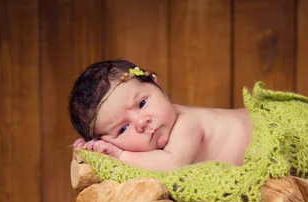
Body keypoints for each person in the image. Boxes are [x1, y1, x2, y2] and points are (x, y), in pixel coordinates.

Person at [70, 59, 253, 171]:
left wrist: (120, 155)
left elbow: (173, 164)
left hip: (264, 132)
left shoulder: (187, 123)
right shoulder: (160, 129)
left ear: (156, 84)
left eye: (142, 103)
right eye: (123, 129)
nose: (141, 121)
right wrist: (96, 149)